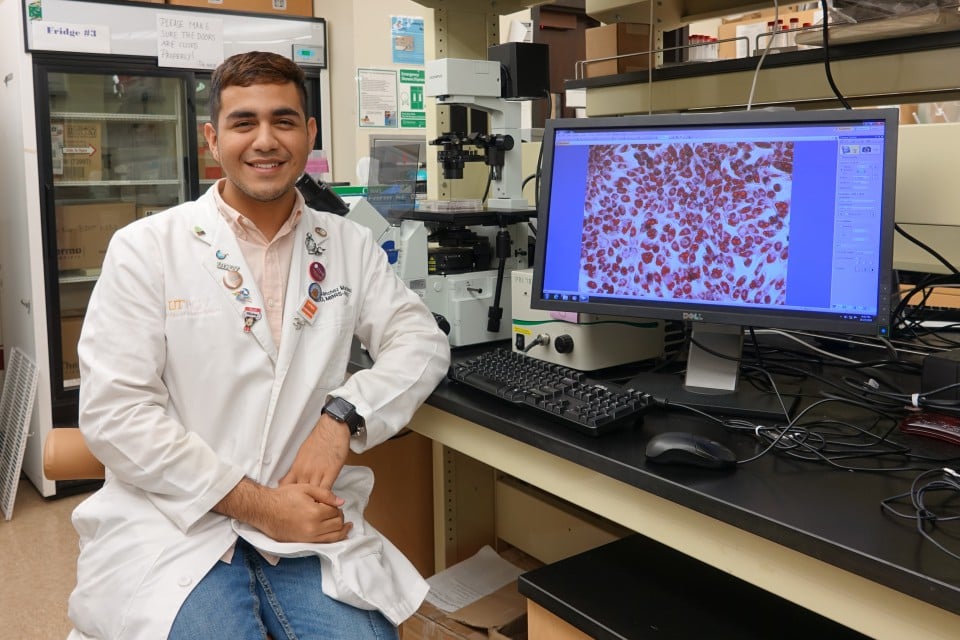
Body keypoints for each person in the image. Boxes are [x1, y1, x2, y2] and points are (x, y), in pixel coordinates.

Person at [67, 51, 451, 639]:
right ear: (212, 138)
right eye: (244, 122)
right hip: (178, 522)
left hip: (309, 523)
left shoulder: (348, 244)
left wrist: (341, 418)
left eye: (284, 120)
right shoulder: (146, 247)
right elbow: (116, 414)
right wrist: (263, 506)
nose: (265, 140)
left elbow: (420, 341)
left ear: (309, 134)